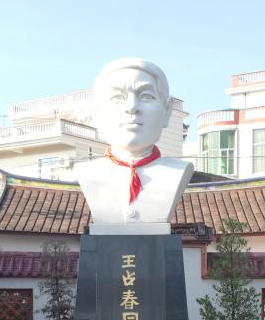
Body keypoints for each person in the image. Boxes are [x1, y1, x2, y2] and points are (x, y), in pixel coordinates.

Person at [76, 57, 193, 230]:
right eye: (118, 97)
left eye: (146, 96)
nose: (131, 107)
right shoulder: (87, 172)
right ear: (98, 113)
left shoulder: (178, 172)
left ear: (167, 112)